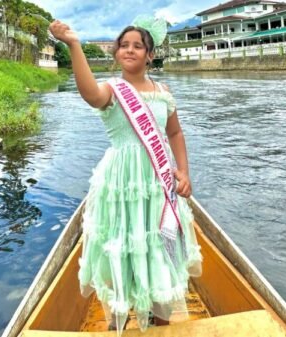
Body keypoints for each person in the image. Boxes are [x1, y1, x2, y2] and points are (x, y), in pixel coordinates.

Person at [49, 15, 202, 336]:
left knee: (160, 247)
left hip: (158, 185)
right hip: (122, 184)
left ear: (150, 54)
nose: (130, 50)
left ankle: (161, 324)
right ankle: (115, 320)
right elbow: (89, 93)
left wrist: (184, 171)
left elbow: (174, 134)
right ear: (116, 53)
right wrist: (74, 45)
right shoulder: (111, 90)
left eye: (138, 46)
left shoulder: (163, 91)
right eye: (124, 45)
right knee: (120, 246)